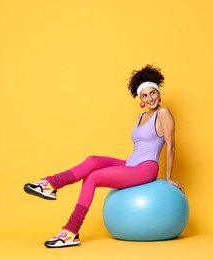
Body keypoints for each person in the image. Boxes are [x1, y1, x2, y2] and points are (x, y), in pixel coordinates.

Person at [24, 64, 183, 248]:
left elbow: (171, 146)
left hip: (146, 168)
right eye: (145, 95)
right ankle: (51, 184)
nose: (150, 98)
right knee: (92, 160)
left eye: (152, 93)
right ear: (140, 98)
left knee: (93, 177)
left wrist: (169, 177)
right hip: (131, 164)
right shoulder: (141, 116)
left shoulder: (163, 113)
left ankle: (71, 231)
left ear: (158, 92)